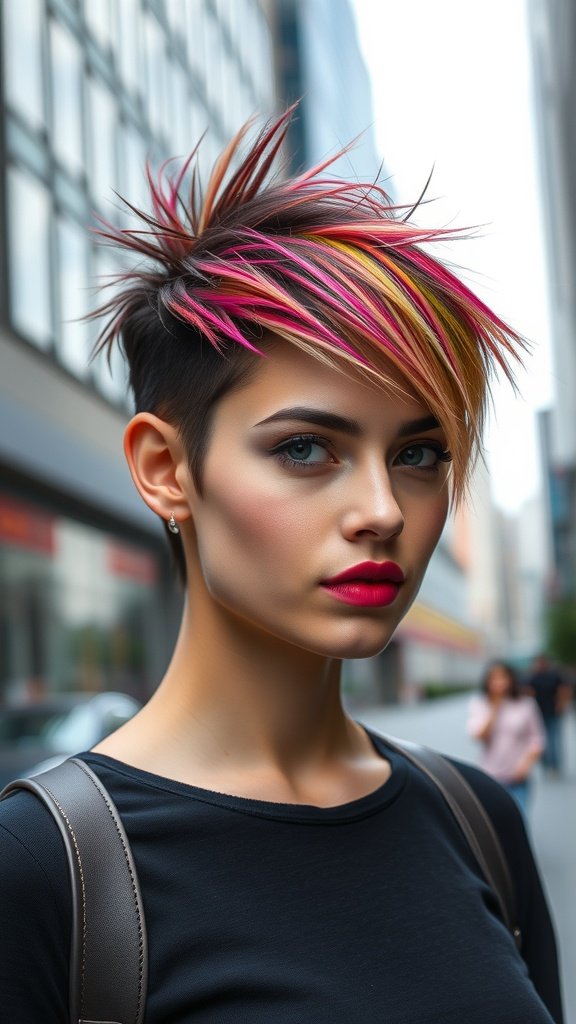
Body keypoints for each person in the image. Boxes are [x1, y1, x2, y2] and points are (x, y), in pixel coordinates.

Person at [0, 110, 563, 1023]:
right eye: (307, 449)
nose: (382, 510)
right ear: (165, 470)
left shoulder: (478, 821)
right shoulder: (45, 874)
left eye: (419, 455)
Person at [467, 660, 545, 814]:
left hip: (517, 776)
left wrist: (526, 764)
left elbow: (537, 738)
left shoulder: (526, 704)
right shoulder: (480, 704)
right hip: (490, 776)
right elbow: (479, 736)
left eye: (503, 677)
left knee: (519, 820)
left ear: (511, 679)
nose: (499, 682)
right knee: (494, 826)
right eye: (494, 678)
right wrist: (495, 708)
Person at [527, 653, 572, 773]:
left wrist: (561, 704)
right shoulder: (533, 677)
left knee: (553, 739)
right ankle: (547, 763)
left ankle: (554, 764)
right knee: (541, 740)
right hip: (538, 713)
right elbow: (528, 693)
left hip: (553, 711)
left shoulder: (554, 676)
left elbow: (563, 690)